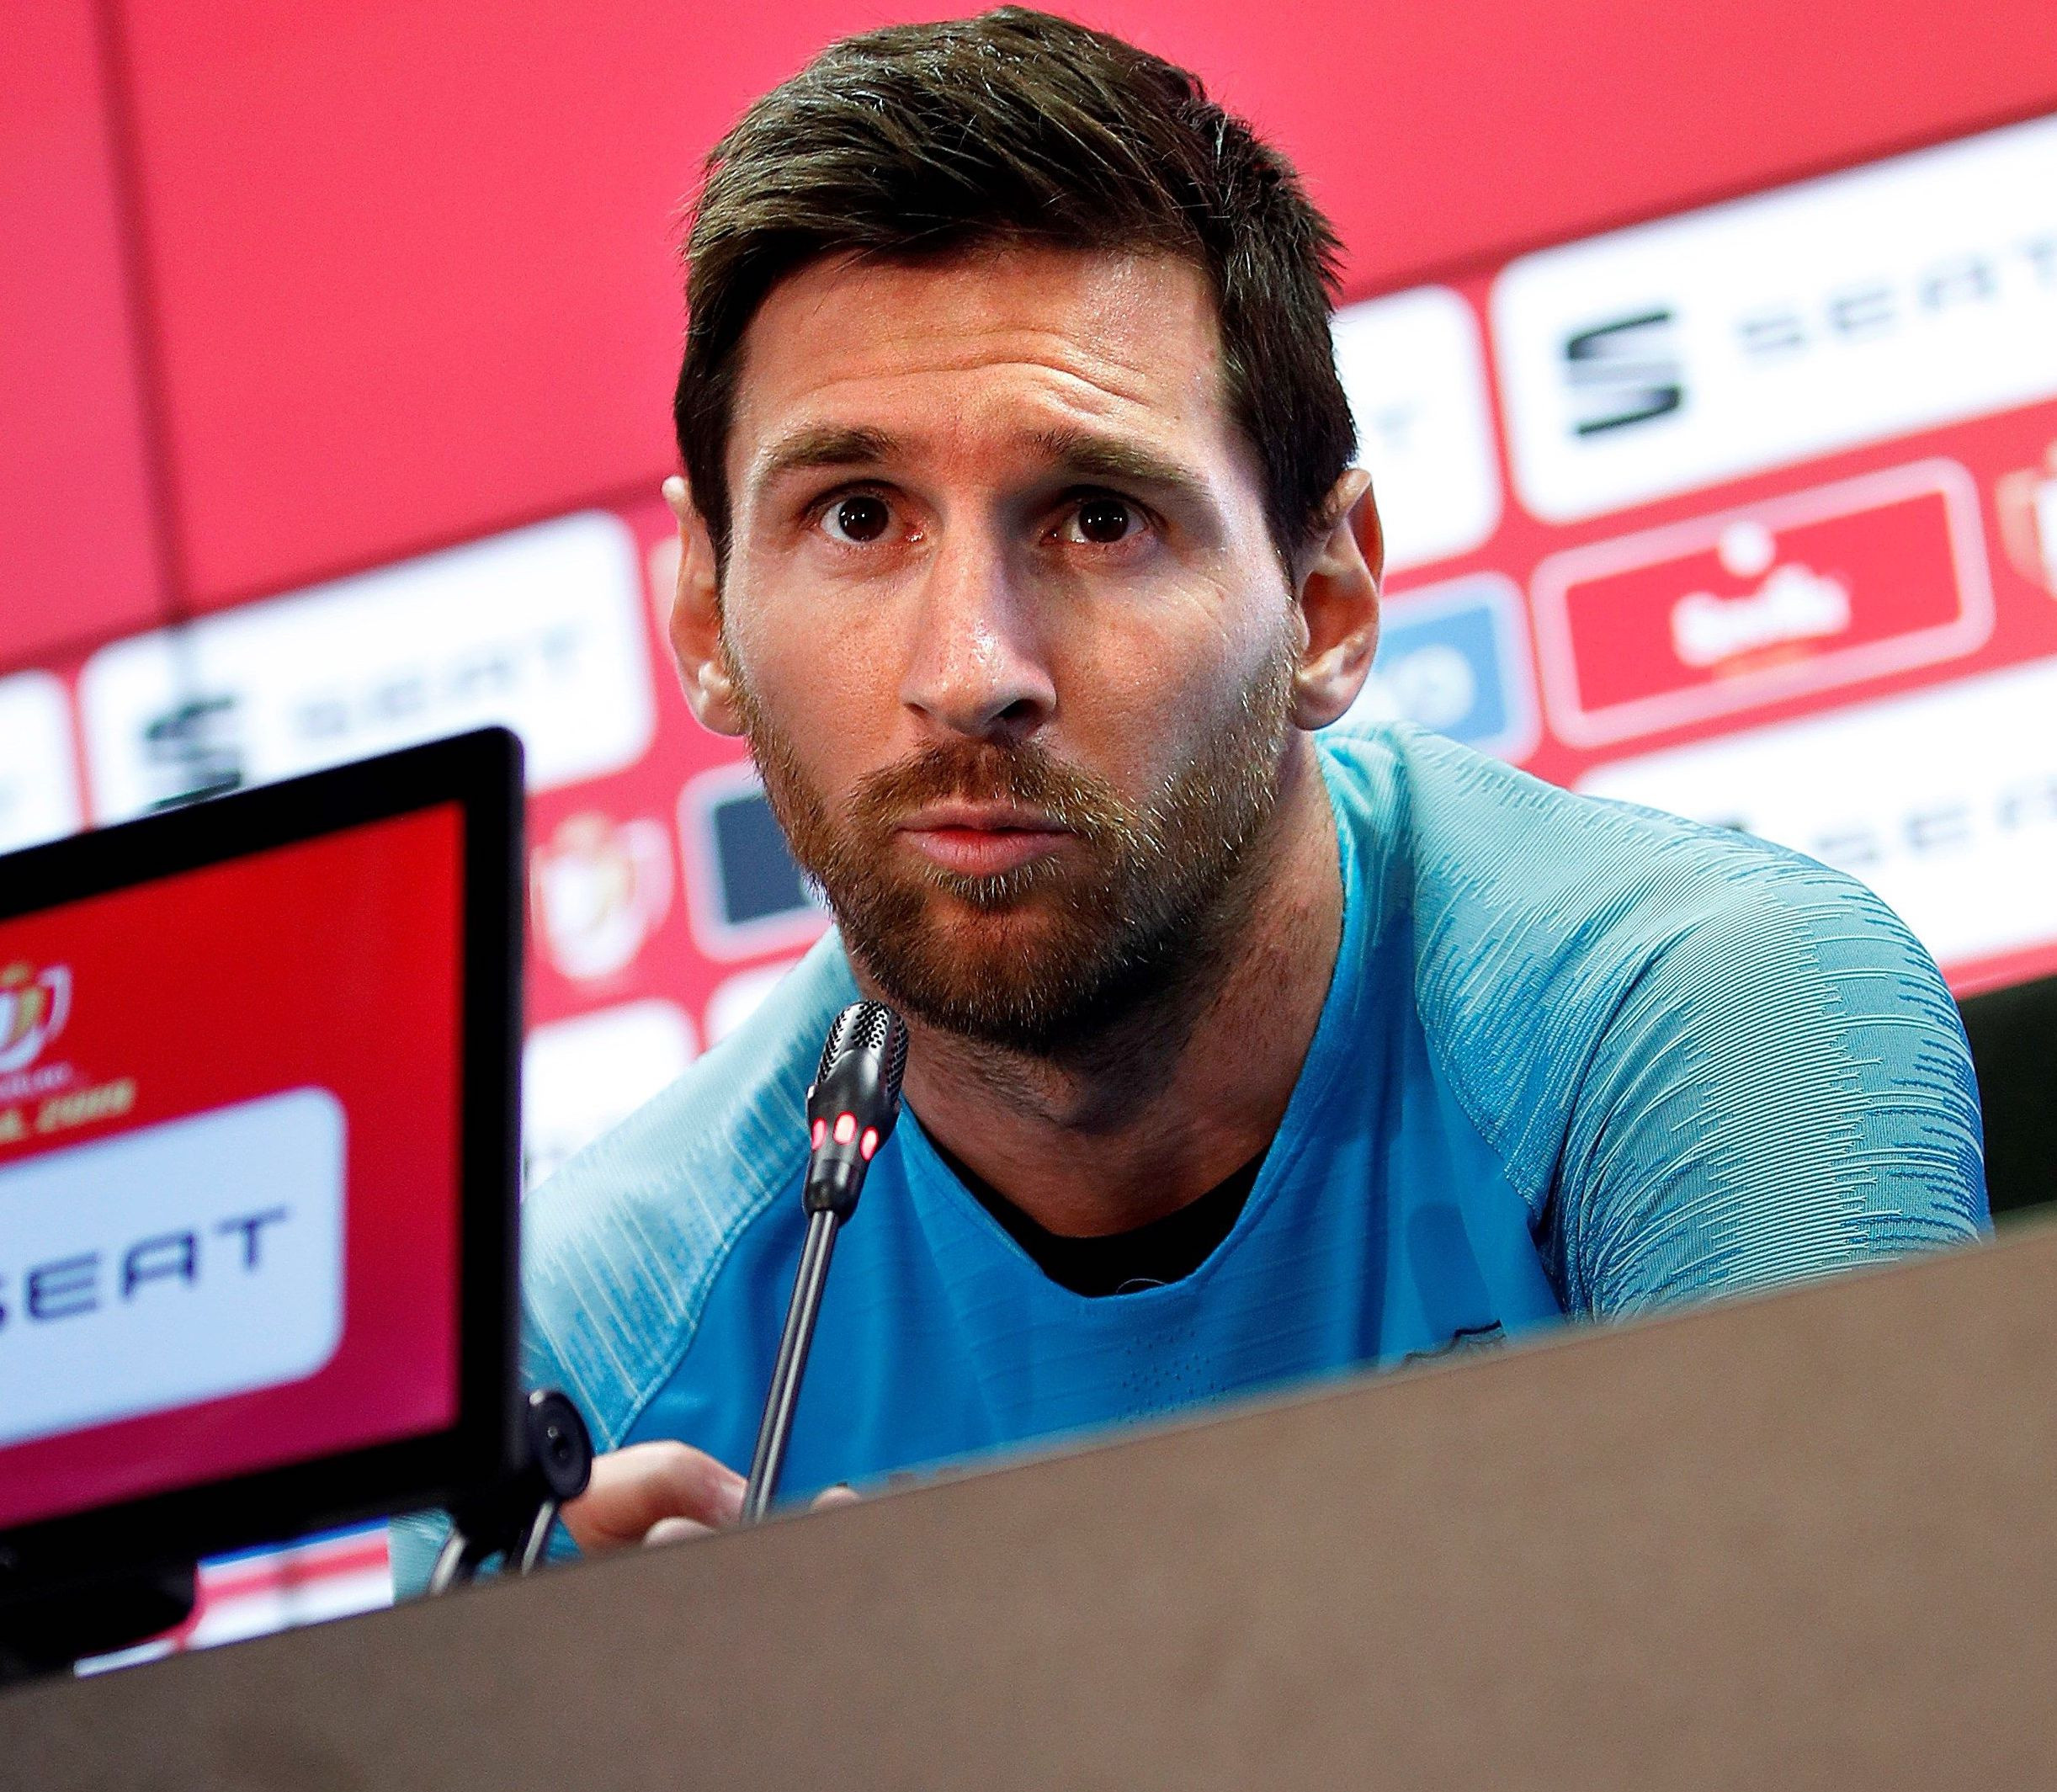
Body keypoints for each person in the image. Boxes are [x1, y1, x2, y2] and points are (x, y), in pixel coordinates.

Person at [396, 7, 1985, 1583]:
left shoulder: (1712, 1022)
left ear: (1327, 601)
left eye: (1097, 518)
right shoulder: (579, 1348)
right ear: (703, 619)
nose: (970, 668)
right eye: (860, 514)